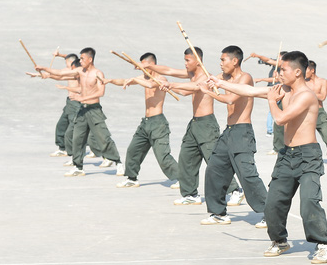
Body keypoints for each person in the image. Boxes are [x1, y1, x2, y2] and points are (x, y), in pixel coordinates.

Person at [211, 51, 327, 262]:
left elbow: (281, 119)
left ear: (297, 71)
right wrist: (220, 84)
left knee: (309, 203)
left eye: (283, 69)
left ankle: (322, 245)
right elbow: (248, 90)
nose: (279, 73)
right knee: (273, 203)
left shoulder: (306, 95)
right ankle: (279, 240)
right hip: (287, 156)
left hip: (308, 156)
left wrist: (271, 102)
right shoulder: (282, 90)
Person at [146, 48, 241, 206]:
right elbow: (170, 71)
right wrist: (149, 67)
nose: (185, 63)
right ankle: (190, 194)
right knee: (186, 157)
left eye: (188, 60)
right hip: (195, 123)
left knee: (214, 160)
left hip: (207, 124)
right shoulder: (191, 74)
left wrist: (171, 84)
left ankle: (235, 189)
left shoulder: (205, 76)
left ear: (197, 60)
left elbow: (197, 87)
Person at [198, 45, 267, 226]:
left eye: (223, 60)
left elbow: (230, 98)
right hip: (228, 132)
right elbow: (200, 83)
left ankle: (270, 213)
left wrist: (208, 91)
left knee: (247, 175)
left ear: (234, 61)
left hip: (242, 132)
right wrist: (170, 84)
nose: (220, 64)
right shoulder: (224, 78)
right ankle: (218, 212)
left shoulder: (245, 78)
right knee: (214, 170)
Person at [37, 47, 123, 177]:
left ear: (90, 59)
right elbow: (60, 73)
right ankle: (78, 167)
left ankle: (118, 162)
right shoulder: (80, 71)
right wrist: (43, 68)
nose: (80, 61)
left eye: (82, 58)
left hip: (94, 110)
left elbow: (101, 92)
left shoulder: (98, 73)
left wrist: (82, 98)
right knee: (77, 138)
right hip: (82, 110)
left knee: (103, 138)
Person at [103, 53, 180, 189]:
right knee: (133, 150)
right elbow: (124, 81)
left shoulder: (160, 78)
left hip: (158, 123)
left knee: (163, 156)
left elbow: (150, 85)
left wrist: (136, 80)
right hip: (146, 122)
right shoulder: (143, 77)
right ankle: (132, 178)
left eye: (144, 66)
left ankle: (182, 179)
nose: (142, 69)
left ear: (152, 65)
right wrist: (110, 81)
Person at [251, 51, 288, 155]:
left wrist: (258, 55)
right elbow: (266, 60)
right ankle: (275, 143)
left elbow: (268, 61)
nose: (278, 60)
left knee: (279, 119)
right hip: (275, 91)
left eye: (280, 58)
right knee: (274, 117)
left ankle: (282, 145)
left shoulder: (284, 66)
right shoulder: (280, 66)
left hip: (282, 93)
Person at [305, 61, 327, 166]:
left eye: (306, 70)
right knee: (306, 137)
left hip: (320, 112)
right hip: (307, 113)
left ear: (312, 70)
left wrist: (309, 92)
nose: (303, 73)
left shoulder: (323, 81)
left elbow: (323, 97)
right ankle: (307, 157)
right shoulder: (303, 82)